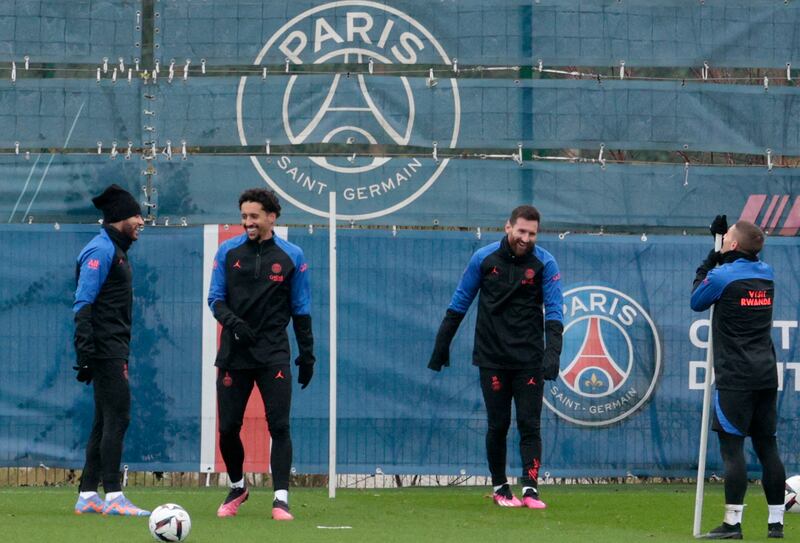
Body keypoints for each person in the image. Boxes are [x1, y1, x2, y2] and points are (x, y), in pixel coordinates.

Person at [428, 205, 563, 509]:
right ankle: (501, 488)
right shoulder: (484, 258)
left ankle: (530, 489)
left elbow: (555, 311)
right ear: (508, 227)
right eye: (521, 231)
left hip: (529, 358)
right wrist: (442, 346)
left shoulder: (546, 263)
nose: (526, 238)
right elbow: (460, 301)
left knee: (530, 425)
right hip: (492, 357)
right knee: (497, 425)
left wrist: (552, 352)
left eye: (532, 233)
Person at [207, 188, 315, 521]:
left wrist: (307, 354)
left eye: (254, 216)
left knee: (279, 426)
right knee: (228, 428)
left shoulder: (292, 255)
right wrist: (234, 324)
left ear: (272, 216)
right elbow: (215, 299)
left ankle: (280, 499)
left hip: (273, 354)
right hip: (234, 353)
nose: (247, 223)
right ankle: (238, 487)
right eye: (244, 217)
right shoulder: (227, 252)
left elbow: (301, 308)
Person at [691, 216, 786, 540]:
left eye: (728, 236)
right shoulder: (766, 273)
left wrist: (711, 256)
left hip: (735, 377)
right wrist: (724, 250)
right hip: (765, 375)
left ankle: (732, 524)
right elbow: (741, 258)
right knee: (767, 446)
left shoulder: (722, 276)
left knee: (733, 451)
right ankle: (776, 524)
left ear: (731, 245)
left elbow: (696, 300)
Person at [72, 184, 149, 516]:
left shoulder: (116, 249)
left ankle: (89, 494)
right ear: (119, 218)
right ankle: (114, 496)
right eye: (136, 215)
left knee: (104, 420)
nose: (142, 221)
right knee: (119, 416)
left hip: (113, 347)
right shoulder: (100, 251)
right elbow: (83, 304)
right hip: (105, 349)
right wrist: (85, 352)